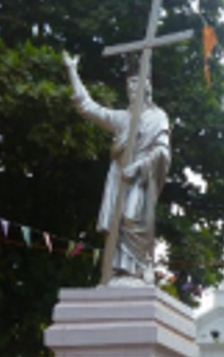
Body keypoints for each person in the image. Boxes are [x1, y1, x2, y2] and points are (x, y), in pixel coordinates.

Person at [62, 52, 171, 283]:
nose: (132, 92)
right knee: (117, 222)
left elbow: (162, 151)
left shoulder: (158, 117)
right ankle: (119, 271)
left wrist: (139, 167)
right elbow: (88, 108)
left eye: (136, 88)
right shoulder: (122, 118)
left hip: (142, 177)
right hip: (120, 178)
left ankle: (139, 269)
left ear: (147, 90)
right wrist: (72, 71)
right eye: (129, 89)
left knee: (132, 219)